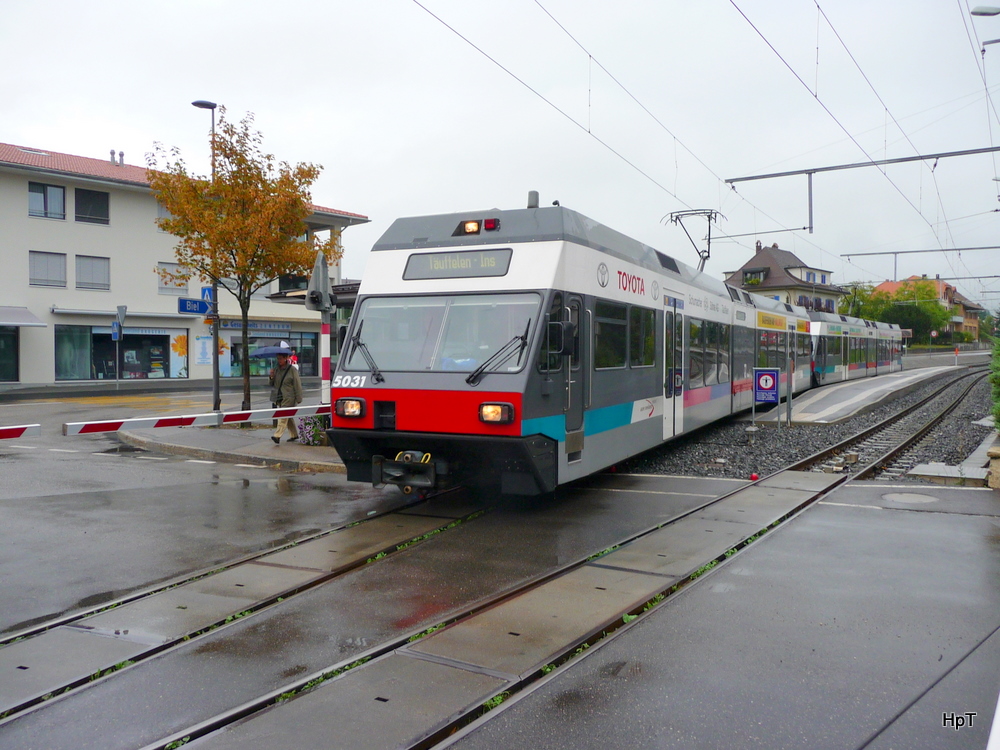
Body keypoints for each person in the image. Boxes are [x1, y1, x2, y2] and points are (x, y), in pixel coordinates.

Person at [269, 346, 303, 443]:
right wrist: (271, 377)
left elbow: (297, 384)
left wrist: (299, 397)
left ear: (285, 358)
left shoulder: (292, 370)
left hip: (289, 397)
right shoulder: (276, 370)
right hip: (280, 396)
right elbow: (272, 384)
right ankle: (294, 435)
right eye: (278, 358)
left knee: (283, 415)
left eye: (280, 358)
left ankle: (277, 435)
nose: (279, 360)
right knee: (288, 416)